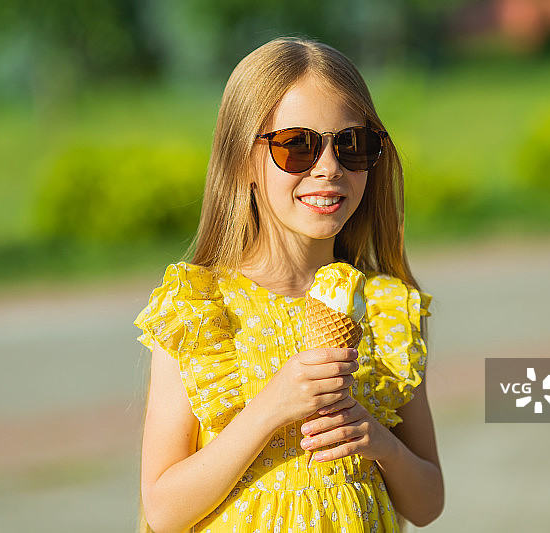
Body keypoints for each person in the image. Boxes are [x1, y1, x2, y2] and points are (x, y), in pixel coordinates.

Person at [133, 36, 444, 533]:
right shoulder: (199, 308)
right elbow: (163, 510)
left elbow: (428, 503)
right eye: (296, 146)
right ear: (243, 162)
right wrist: (271, 407)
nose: (328, 167)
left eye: (352, 144)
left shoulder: (386, 308)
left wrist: (379, 441)